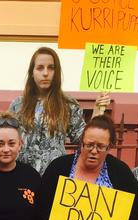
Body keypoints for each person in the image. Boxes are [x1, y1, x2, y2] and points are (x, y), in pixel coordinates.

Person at [9, 46, 109, 175]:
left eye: (51, 68)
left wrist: (96, 113)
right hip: (22, 174)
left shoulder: (68, 104)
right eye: (40, 68)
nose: (45, 73)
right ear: (32, 73)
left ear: (57, 72)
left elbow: (82, 139)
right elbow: (8, 138)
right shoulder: (18, 105)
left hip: (55, 174)